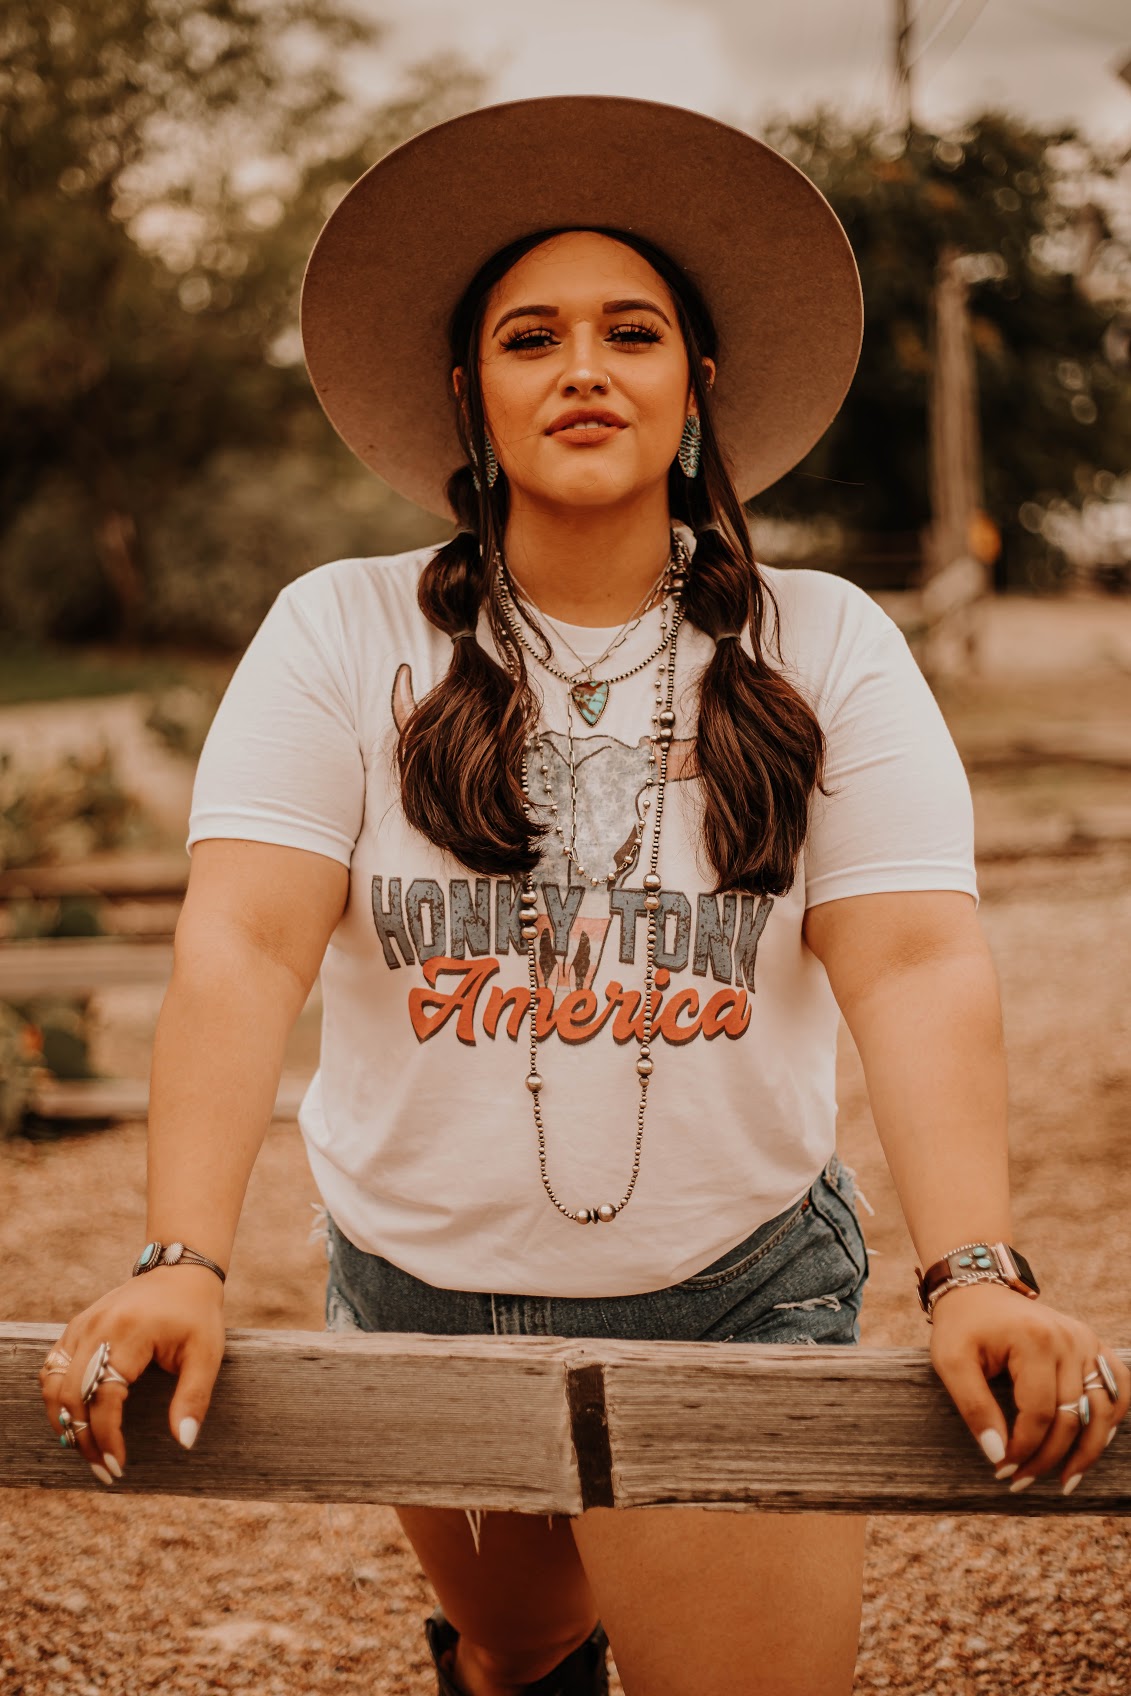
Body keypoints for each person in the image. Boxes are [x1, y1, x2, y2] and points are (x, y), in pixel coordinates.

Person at [38, 96, 1127, 1696]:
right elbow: (243, 941)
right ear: (473, 396)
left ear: (694, 389)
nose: (584, 366)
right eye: (530, 336)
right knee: (524, 1650)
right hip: (412, 1287)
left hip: (732, 1291)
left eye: (632, 331)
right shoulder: (343, 632)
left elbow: (910, 966)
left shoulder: (820, 645)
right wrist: (179, 1255)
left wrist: (971, 1265)